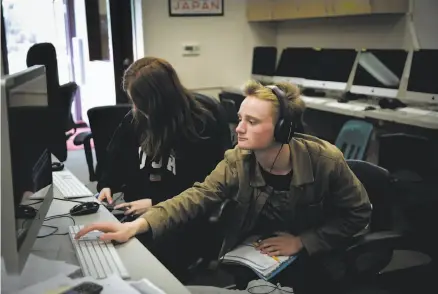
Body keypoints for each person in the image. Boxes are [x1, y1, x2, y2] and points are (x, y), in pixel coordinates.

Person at [77, 80, 372, 293]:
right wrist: (136, 226)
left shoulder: (324, 161)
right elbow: (196, 197)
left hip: (314, 256)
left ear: (284, 129)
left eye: (252, 122)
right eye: (240, 118)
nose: (239, 128)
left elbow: (358, 215)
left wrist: (303, 241)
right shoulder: (238, 159)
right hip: (257, 252)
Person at [95, 56, 231, 280]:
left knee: (139, 266)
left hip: (182, 217)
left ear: (159, 101)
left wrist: (156, 202)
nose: (136, 108)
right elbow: (113, 158)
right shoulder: (137, 118)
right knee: (108, 249)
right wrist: (107, 184)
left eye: (140, 102)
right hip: (136, 209)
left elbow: (206, 186)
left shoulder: (201, 124)